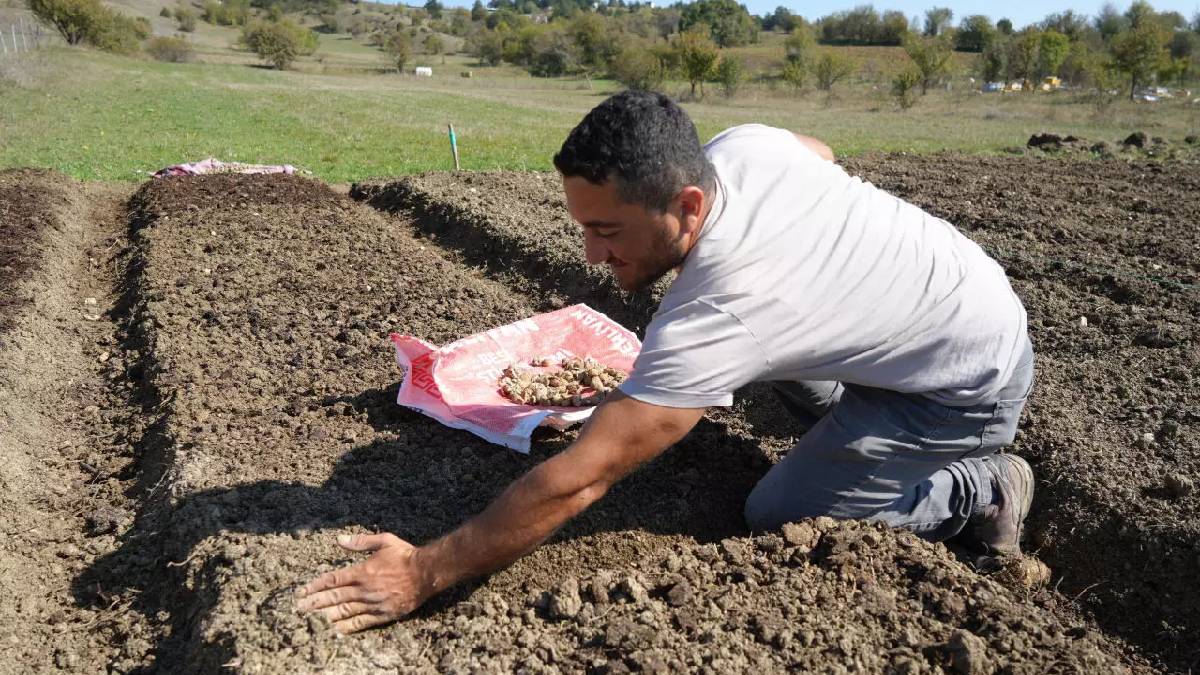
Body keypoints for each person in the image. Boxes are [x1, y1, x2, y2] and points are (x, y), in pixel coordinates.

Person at [296, 90, 1035, 633]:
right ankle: (852, 435)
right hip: (938, 311)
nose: (590, 253)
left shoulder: (723, 312)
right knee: (771, 356)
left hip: (963, 383)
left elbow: (582, 477)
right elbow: (817, 152)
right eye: (582, 225)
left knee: (778, 511)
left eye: (608, 230)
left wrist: (426, 571)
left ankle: (982, 487)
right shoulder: (741, 149)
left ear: (686, 203)